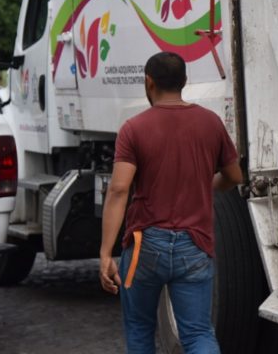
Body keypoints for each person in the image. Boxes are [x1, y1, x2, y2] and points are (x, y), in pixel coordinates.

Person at [99, 51, 244, 352]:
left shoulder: (133, 128)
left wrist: (105, 254)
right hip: (195, 244)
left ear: (148, 83)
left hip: (144, 246)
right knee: (198, 334)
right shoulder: (211, 123)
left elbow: (119, 190)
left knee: (140, 330)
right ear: (184, 82)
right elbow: (234, 176)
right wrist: (209, 184)